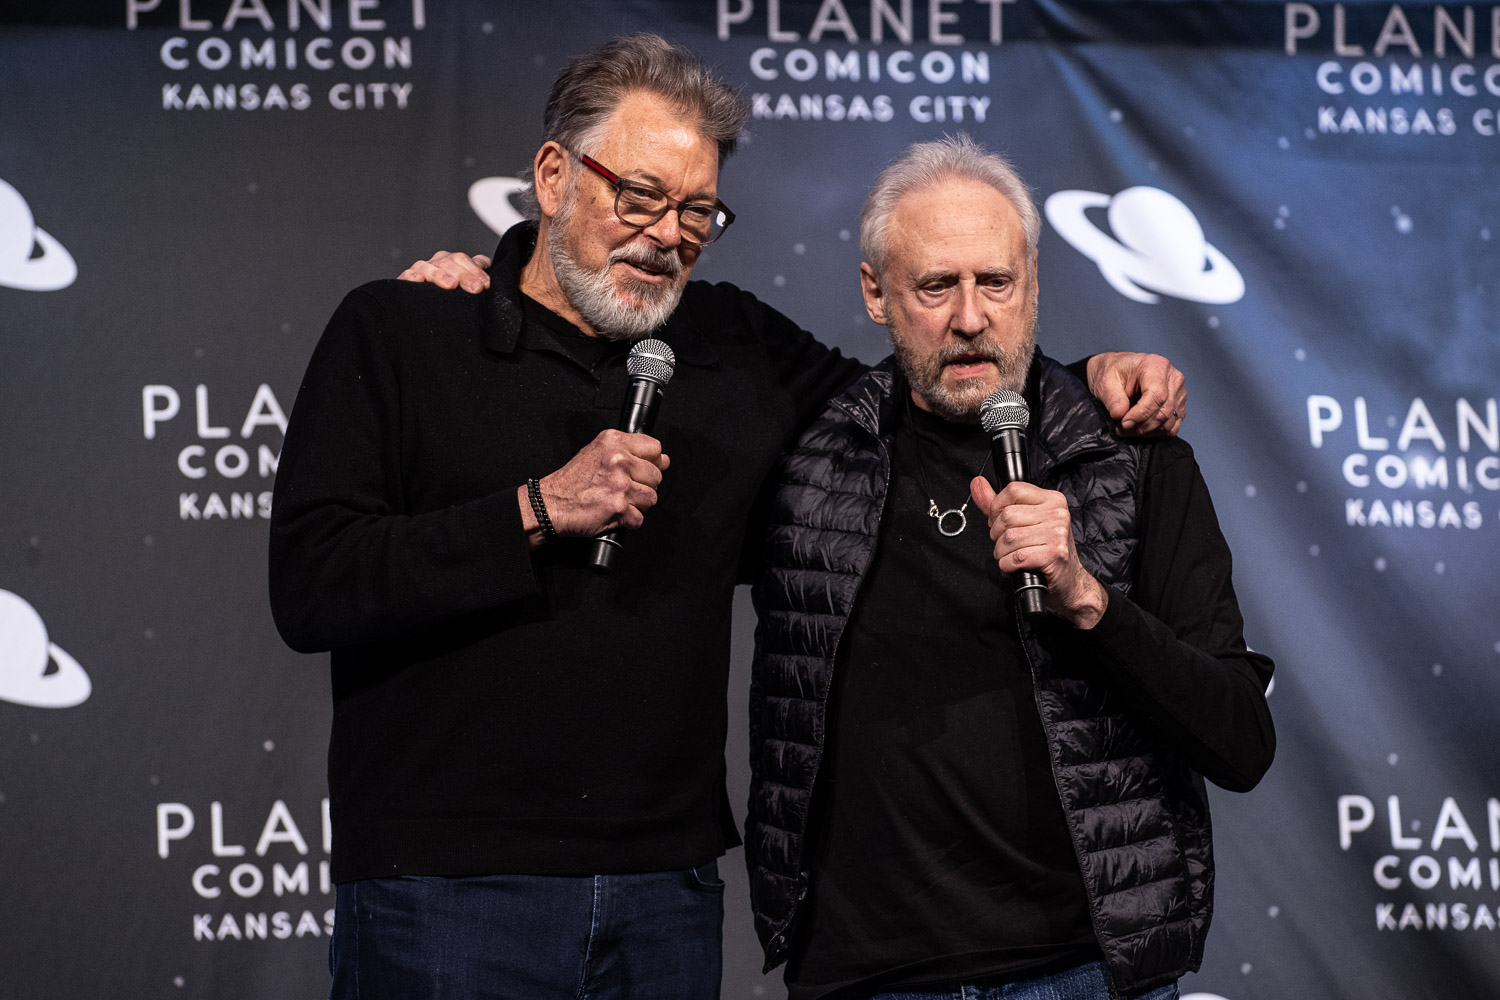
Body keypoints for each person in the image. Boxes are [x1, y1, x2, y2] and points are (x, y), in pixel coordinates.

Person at [271, 34, 1186, 1000]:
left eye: (696, 211)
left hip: (667, 891)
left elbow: (923, 402)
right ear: (552, 176)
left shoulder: (734, 341)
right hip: (445, 890)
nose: (665, 234)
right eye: (639, 196)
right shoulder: (402, 330)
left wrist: (1083, 379)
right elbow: (313, 581)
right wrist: (537, 510)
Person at [744, 135, 1275, 1000]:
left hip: (1081, 975)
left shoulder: (1134, 461)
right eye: (934, 286)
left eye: (995, 282)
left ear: (1032, 282)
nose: (969, 317)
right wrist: (479, 279)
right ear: (876, 292)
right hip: (867, 979)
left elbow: (1242, 741)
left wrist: (1088, 600)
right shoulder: (811, 452)